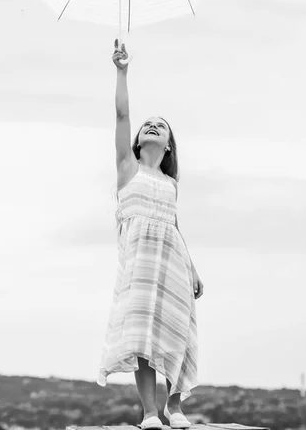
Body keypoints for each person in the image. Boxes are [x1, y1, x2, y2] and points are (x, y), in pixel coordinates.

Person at [97, 39, 204, 430]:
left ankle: (175, 408)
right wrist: (122, 71)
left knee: (178, 331)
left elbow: (175, 226)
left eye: (160, 125)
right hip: (141, 264)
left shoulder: (171, 183)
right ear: (139, 141)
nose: (151, 125)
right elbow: (123, 113)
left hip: (173, 259)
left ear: (169, 143)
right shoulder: (128, 168)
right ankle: (149, 413)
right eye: (147, 126)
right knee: (143, 334)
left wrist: (192, 267)